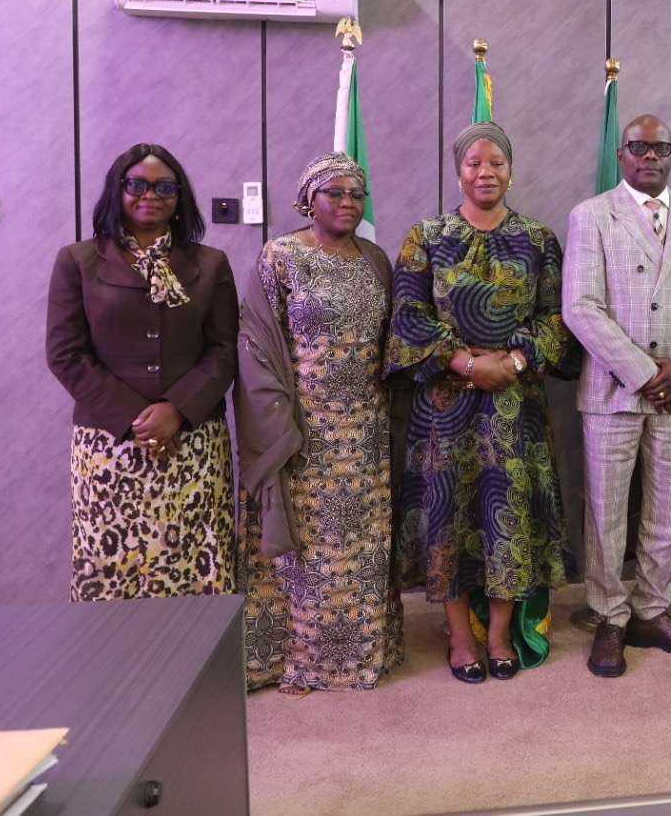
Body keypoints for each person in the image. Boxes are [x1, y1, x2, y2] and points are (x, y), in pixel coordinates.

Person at [386, 122, 581, 683]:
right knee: (448, 515)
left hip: (516, 407)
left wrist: (512, 363)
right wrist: (467, 364)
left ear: (510, 171)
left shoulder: (538, 239)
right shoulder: (427, 236)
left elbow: (557, 320)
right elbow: (407, 316)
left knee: (507, 515)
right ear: (459, 173)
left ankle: (498, 633)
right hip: (444, 406)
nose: (485, 172)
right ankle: (459, 635)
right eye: (474, 163)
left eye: (496, 162)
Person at [563, 115, 671, 677]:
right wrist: (643, 372)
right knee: (607, 512)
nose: (649, 156)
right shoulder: (592, 215)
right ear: (621, 154)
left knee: (668, 508)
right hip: (614, 387)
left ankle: (653, 610)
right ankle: (609, 617)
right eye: (638, 146)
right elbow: (580, 306)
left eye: (660, 148)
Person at [235, 152, 405, 697]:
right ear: (309, 200)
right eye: (335, 192)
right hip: (302, 429)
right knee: (307, 548)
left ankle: (358, 656)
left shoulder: (376, 260)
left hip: (366, 429)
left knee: (360, 544)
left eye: (357, 194)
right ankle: (300, 659)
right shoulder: (281, 256)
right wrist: (276, 426)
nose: (348, 202)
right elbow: (256, 343)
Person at [46, 143, 238, 601]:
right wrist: (139, 419)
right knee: (111, 568)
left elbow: (225, 349)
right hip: (108, 445)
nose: (149, 195)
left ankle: (199, 649)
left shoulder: (210, 263)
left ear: (179, 197)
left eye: (164, 187)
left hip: (193, 443)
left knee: (196, 561)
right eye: (136, 184)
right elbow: (65, 353)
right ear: (117, 191)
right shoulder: (78, 260)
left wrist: (176, 409)